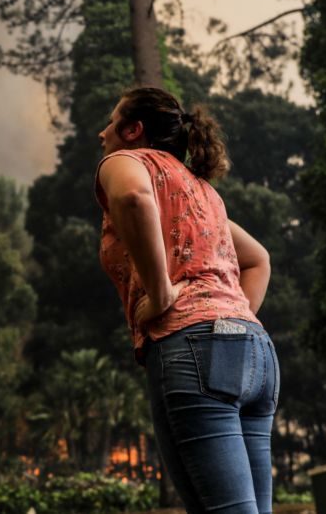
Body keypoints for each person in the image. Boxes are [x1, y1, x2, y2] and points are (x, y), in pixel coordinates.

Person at [94, 87, 279, 514]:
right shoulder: (201, 190)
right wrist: (230, 321)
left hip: (190, 347)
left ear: (133, 130)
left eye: (111, 121)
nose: (101, 134)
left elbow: (132, 197)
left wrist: (160, 294)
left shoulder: (125, 161)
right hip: (256, 353)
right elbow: (259, 260)